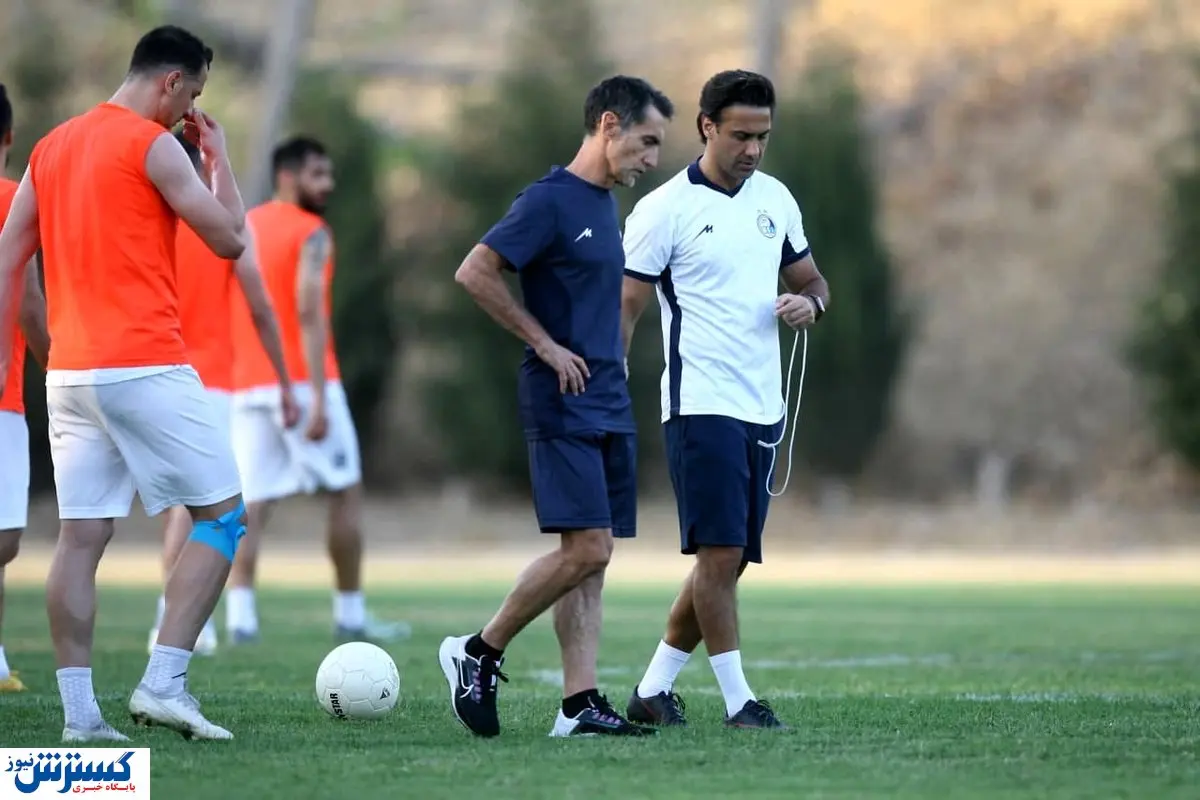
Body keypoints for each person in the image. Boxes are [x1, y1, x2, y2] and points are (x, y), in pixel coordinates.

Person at [0, 25, 251, 742]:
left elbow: (8, 257)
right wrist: (218, 158)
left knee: (81, 536)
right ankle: (164, 683)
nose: (190, 111)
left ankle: (80, 718)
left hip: (69, 372)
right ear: (171, 81)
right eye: (192, 94)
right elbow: (230, 238)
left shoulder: (50, 148)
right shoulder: (152, 145)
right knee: (223, 516)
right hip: (144, 362)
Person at [438, 75, 675, 739]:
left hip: (607, 398)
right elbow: (474, 271)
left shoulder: (604, 204)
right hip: (563, 399)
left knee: (593, 557)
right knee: (588, 549)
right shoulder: (548, 201)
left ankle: (578, 704)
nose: (653, 158)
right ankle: (478, 649)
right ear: (608, 125)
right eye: (647, 141)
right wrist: (543, 344)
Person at [619, 69, 831, 730]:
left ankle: (652, 691)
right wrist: (606, 391)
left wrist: (811, 305)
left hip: (764, 408)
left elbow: (813, 281)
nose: (753, 149)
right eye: (741, 135)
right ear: (706, 127)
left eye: (763, 136)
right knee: (717, 555)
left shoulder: (776, 199)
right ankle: (740, 703)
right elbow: (624, 310)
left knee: (729, 560)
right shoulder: (664, 210)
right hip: (700, 404)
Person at [226, 136, 407, 644]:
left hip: (249, 384)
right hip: (305, 383)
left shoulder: (244, 226)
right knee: (345, 493)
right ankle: (350, 614)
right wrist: (320, 399)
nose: (328, 184)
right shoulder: (313, 232)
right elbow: (308, 310)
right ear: (287, 177)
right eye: (317, 175)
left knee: (252, 505)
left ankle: (241, 618)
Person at [147, 132, 299, 656]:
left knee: (174, 508)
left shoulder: (150, 223)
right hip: (209, 382)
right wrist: (284, 381)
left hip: (151, 371)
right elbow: (260, 307)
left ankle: (172, 618)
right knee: (205, 509)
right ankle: (177, 621)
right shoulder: (220, 225)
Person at [0, 83, 50, 694]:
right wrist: (59, 370)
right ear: (10, 137)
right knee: (5, 537)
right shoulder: (13, 200)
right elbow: (30, 303)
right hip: (4, 397)